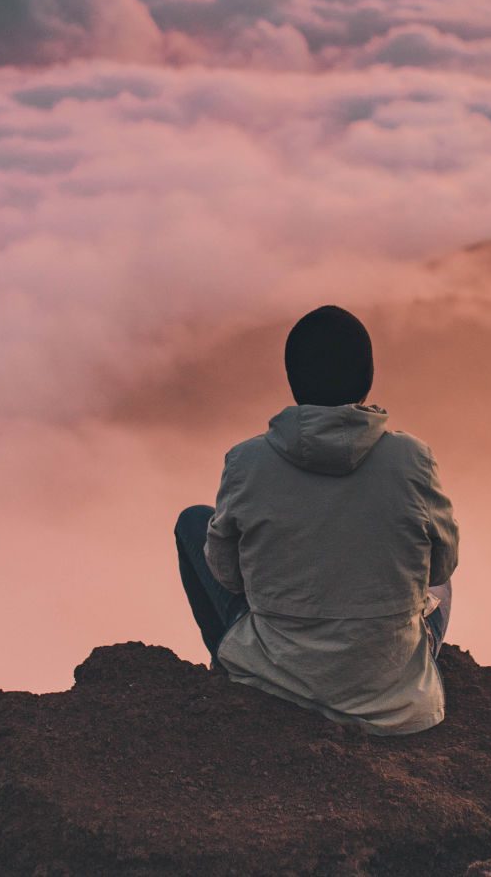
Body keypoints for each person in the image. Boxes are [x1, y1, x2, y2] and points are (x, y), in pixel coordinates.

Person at [174, 304, 459, 734]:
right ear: (367, 380)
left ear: (293, 381)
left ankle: (230, 666)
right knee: (442, 586)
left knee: (194, 522)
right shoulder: (412, 459)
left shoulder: (246, 461)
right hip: (392, 693)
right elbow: (440, 566)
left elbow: (228, 577)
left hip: (275, 673)